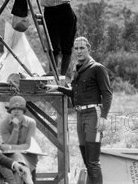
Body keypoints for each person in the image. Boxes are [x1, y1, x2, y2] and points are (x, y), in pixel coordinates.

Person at [48, 36, 112, 184]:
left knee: (93, 162)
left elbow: (107, 94)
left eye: (82, 48)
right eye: (76, 48)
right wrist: (58, 88)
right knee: (86, 159)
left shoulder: (97, 68)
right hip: (80, 115)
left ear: (89, 49)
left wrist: (103, 117)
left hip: (93, 115)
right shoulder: (78, 68)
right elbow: (75, 93)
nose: (79, 51)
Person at [0, 96, 41, 183]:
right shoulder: (4, 124)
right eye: (13, 109)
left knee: (19, 162)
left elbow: (28, 145)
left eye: (19, 109)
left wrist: (8, 147)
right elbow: (9, 147)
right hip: (10, 156)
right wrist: (15, 129)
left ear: (23, 111)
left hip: (28, 156)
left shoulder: (31, 123)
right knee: (18, 166)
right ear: (10, 111)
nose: (16, 111)